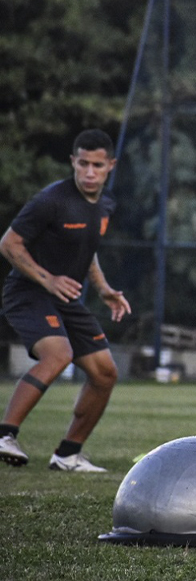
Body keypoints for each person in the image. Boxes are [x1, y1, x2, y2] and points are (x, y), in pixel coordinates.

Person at [0, 129, 131, 472]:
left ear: (110, 166)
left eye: (97, 165)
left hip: (65, 298)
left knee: (105, 373)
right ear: (73, 161)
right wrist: (48, 278)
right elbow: (9, 245)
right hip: (28, 293)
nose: (89, 172)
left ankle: (68, 454)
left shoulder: (104, 205)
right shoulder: (51, 201)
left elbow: (86, 251)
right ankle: (4, 435)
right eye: (83, 164)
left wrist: (102, 289)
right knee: (59, 354)